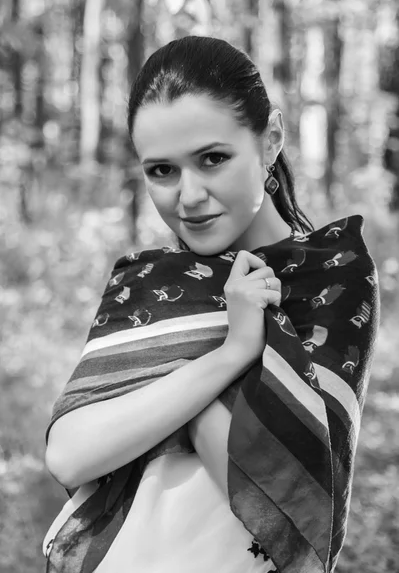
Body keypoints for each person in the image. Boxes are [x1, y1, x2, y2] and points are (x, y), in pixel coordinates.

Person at [43, 36, 379, 573]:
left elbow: (291, 507)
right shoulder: (151, 284)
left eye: (213, 159)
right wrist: (232, 351)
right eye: (162, 171)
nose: (189, 195)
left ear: (271, 139)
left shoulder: (331, 277)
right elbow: (69, 455)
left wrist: (178, 389)